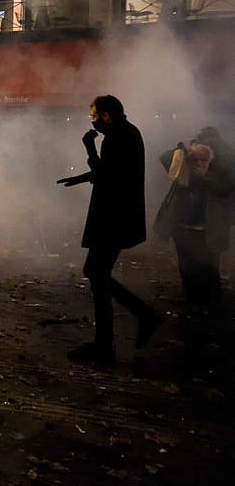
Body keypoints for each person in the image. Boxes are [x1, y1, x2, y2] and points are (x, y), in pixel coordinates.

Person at [57, 95, 164, 363]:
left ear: (106, 115)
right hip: (117, 216)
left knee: (95, 272)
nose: (93, 121)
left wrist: (89, 148)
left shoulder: (118, 137)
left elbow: (105, 173)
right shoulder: (127, 133)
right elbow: (110, 172)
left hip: (113, 217)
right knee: (97, 274)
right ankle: (108, 342)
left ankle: (134, 323)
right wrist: (78, 179)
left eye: (94, 115)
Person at [155, 140, 233, 306]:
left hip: (208, 231)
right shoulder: (183, 174)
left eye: (202, 160)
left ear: (210, 161)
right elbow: (164, 158)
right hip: (183, 229)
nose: (198, 163)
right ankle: (191, 298)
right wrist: (180, 151)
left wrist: (204, 176)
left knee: (209, 269)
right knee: (186, 265)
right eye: (194, 160)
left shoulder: (218, 177)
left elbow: (224, 190)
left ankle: (212, 301)